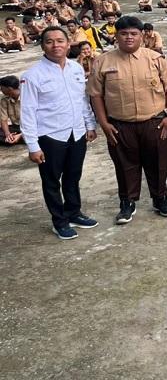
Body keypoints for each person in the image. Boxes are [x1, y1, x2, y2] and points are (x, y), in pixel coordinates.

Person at [87, 16, 167, 224]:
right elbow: (96, 95)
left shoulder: (155, 58)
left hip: (154, 123)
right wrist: (104, 123)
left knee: (158, 163)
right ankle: (127, 203)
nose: (129, 37)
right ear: (116, 36)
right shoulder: (103, 61)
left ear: (141, 36)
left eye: (133, 34)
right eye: (124, 33)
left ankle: (160, 199)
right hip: (119, 125)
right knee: (124, 164)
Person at [20, 26, 98, 239]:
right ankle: (59, 221)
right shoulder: (33, 75)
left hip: (77, 132)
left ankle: (73, 212)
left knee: (73, 176)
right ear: (42, 45)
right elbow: (27, 111)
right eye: (49, 41)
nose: (56, 45)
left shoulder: (75, 68)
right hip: (50, 136)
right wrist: (33, 145)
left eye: (60, 41)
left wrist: (89, 125)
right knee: (52, 181)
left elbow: (82, 100)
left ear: (68, 43)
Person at [0, 75, 23, 146]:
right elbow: (3, 119)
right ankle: (14, 138)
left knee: (43, 133)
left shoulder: (27, 96)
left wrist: (22, 134)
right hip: (16, 128)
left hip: (32, 127)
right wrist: (7, 134)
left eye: (1, 88)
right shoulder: (4, 100)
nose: (1, 90)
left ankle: (20, 137)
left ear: (9, 89)